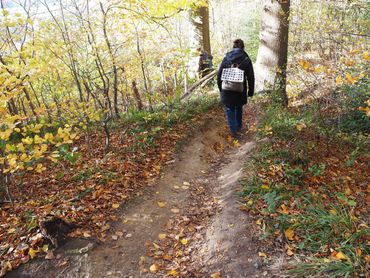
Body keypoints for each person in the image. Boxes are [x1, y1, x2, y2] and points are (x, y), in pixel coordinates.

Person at [217, 39, 255, 138]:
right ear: (243, 47)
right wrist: (250, 91)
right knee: (238, 107)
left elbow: (219, 74)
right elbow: (251, 77)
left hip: (227, 88)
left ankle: (233, 131)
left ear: (233, 47)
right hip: (240, 89)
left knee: (230, 108)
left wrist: (220, 89)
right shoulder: (246, 59)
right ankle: (238, 128)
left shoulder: (226, 58)